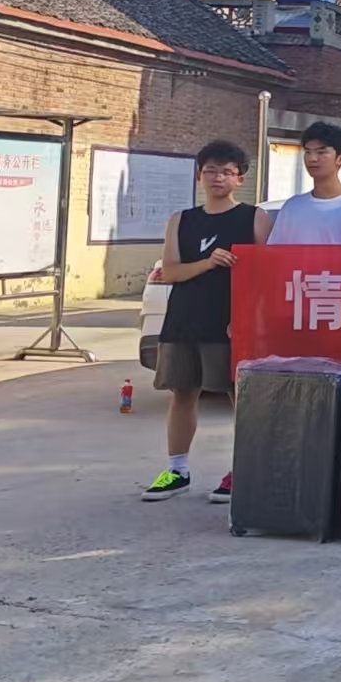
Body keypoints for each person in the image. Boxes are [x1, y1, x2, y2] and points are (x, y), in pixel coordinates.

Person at [142, 141, 258, 505]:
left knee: (238, 396)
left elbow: (264, 276)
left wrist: (245, 319)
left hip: (228, 323)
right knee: (182, 393)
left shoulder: (255, 218)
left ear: (239, 178)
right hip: (183, 319)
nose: (217, 178)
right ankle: (177, 471)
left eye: (226, 171)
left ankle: (244, 471)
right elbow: (171, 271)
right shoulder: (181, 220)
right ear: (199, 176)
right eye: (210, 171)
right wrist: (208, 262)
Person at [262, 122, 341, 246]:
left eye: (321, 152)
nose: (312, 158)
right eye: (308, 152)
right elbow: (275, 252)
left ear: (340, 159)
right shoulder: (292, 206)